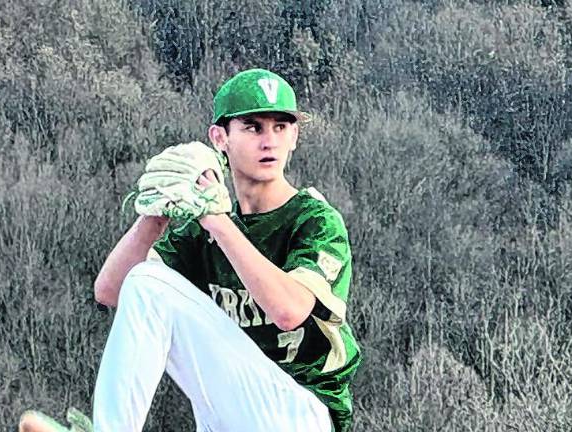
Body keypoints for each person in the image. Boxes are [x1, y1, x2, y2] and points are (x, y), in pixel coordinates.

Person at [20, 68, 362, 432]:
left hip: (299, 412)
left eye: (281, 126)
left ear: (294, 136)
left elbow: (289, 312)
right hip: (229, 417)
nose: (269, 140)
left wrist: (216, 219)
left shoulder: (313, 219)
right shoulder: (201, 235)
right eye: (253, 127)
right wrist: (154, 215)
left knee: (152, 283)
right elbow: (112, 291)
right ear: (220, 137)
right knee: (145, 280)